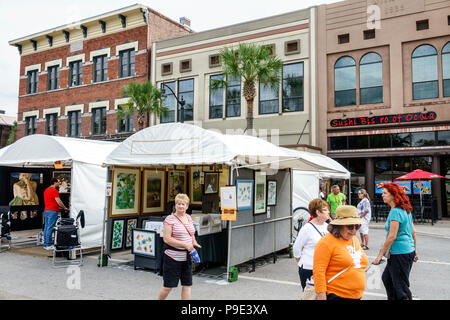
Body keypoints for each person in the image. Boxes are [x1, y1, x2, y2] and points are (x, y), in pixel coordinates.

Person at [373, 183, 418, 300]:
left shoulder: (395, 212)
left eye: (384, 193)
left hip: (399, 253)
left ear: (393, 195)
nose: (382, 195)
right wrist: (415, 250)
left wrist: (380, 255)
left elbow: (392, 236)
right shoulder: (405, 209)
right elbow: (413, 232)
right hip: (407, 251)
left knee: (401, 287)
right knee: (387, 279)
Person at [313, 205, 368, 300]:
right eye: (350, 226)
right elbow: (319, 272)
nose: (354, 231)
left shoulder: (354, 240)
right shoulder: (326, 242)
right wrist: (321, 295)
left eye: (357, 226)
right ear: (339, 226)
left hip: (356, 296)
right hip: (336, 295)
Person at [158, 194, 202, 300]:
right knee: (168, 286)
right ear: (175, 205)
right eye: (178, 204)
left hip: (186, 257)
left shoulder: (188, 217)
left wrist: (194, 241)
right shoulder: (170, 219)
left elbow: (191, 232)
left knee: (187, 285)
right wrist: (185, 244)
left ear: (187, 206)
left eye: (183, 204)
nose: (181, 206)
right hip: (172, 257)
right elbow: (167, 239)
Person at [293, 199, 330, 292]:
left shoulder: (327, 226)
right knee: (310, 296)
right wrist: (302, 262)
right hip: (309, 268)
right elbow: (296, 248)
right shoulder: (307, 228)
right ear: (318, 212)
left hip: (325, 268)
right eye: (325, 210)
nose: (328, 212)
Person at [43, 178, 69, 250]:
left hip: (46, 210)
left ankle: (45, 243)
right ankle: (48, 244)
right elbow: (59, 201)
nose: (59, 183)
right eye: (58, 182)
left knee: (46, 227)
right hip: (52, 211)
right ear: (54, 183)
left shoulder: (46, 190)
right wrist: (65, 208)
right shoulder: (54, 190)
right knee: (50, 228)